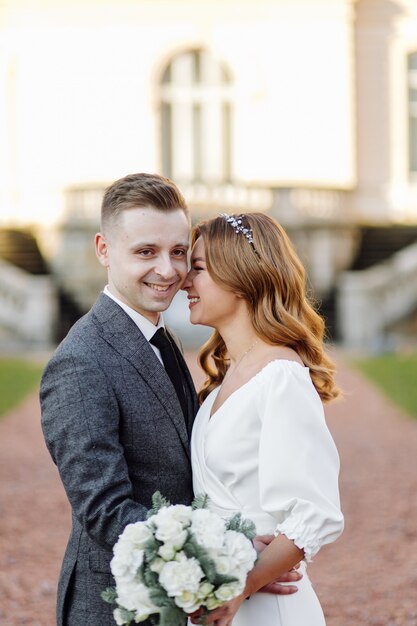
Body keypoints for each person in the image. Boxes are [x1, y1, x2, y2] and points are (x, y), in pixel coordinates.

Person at [40, 174, 300, 626]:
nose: (168, 270)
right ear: (103, 249)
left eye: (178, 252)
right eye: (145, 252)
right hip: (118, 605)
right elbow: (106, 512)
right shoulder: (81, 362)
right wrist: (229, 556)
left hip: (183, 600)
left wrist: (247, 568)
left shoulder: (163, 338)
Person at [183, 212, 344, 626]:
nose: (185, 281)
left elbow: (314, 512)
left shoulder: (282, 378)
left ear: (239, 277)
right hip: (215, 596)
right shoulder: (221, 383)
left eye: (198, 269)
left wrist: (243, 584)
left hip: (265, 608)